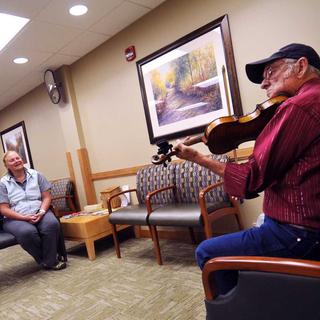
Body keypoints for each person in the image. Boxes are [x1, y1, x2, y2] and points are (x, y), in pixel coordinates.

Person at [174, 43, 320, 294]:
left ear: (301, 66)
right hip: (309, 226)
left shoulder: (298, 107)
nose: (264, 83)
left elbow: (250, 179)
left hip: (299, 233)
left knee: (208, 253)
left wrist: (197, 157)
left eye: (271, 72)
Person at [0, 151, 66, 270]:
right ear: (7, 165)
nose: (16, 161)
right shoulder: (3, 183)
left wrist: (41, 212)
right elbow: (3, 209)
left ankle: (48, 261)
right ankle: (49, 260)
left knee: (51, 224)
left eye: (18, 158)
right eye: (12, 160)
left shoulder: (36, 175)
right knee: (27, 232)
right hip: (15, 217)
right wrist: (24, 217)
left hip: (39, 211)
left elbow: (46, 197)